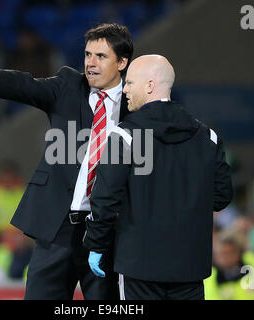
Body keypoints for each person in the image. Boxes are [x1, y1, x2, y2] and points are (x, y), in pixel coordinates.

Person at [0, 23, 133, 300]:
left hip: (106, 230)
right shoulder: (68, 85)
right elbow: (26, 85)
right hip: (57, 226)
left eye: (101, 56)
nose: (91, 63)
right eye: (88, 55)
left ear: (122, 61)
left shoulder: (135, 105)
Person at [83, 55, 233, 300]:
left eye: (130, 83)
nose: (125, 89)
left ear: (150, 85)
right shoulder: (208, 137)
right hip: (190, 266)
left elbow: (105, 199)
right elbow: (222, 197)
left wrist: (96, 245)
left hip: (138, 266)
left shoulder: (124, 136)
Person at [204, 230, 254, 300]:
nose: (225, 258)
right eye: (221, 254)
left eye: (229, 253)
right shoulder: (209, 276)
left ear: (238, 253)